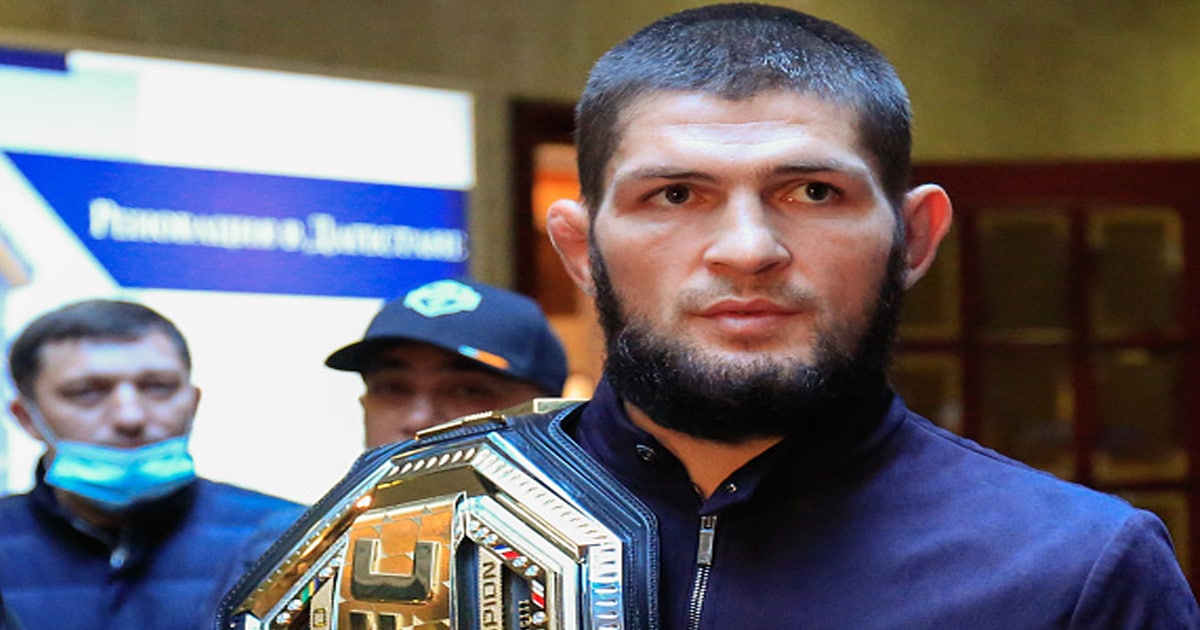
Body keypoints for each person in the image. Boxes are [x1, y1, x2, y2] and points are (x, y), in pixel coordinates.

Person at [220, 5, 1199, 628]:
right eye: (675, 194)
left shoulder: (1073, 570)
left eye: (813, 192)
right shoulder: (395, 529)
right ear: (579, 249)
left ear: (911, 238)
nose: (746, 248)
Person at [0, 299, 305, 630]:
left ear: (193, 401)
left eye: (158, 387)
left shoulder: (292, 539)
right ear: (26, 417)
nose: (130, 416)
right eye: (86, 392)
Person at [325, 277, 568, 447]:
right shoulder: (316, 521)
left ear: (548, 415)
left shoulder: (590, 519)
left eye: (467, 391)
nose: (419, 421)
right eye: (393, 388)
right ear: (365, 405)